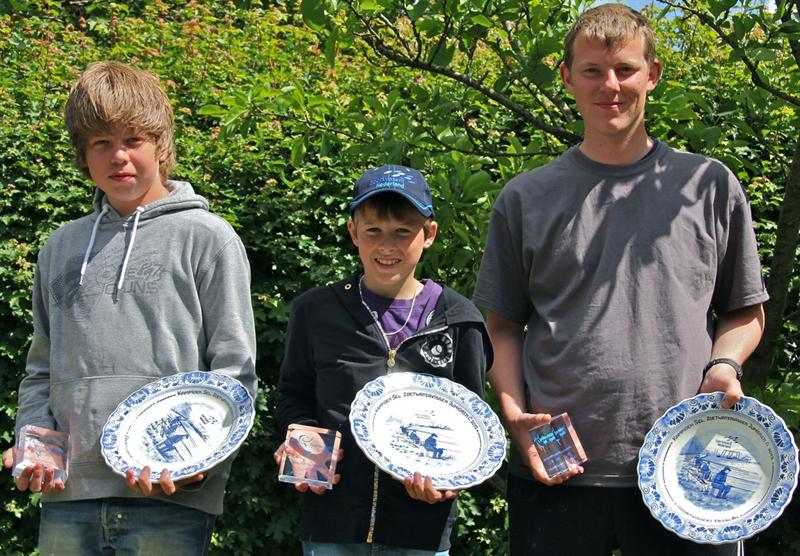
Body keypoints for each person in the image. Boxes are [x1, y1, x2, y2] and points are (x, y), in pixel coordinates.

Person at [472, 4, 767, 555]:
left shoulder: (708, 186)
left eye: (625, 69)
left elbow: (745, 311)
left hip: (688, 460)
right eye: (592, 71)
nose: (610, 85)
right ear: (567, 78)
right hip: (557, 465)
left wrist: (724, 365)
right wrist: (515, 418)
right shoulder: (526, 198)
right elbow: (502, 327)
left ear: (652, 75)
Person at [2, 61, 257, 555]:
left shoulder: (207, 238)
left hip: (169, 495)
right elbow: (40, 370)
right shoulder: (60, 247)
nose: (119, 156)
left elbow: (233, 372)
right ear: (83, 154)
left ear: (161, 145)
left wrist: (199, 463)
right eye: (101, 142)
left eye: (133, 139)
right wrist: (34, 444)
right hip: (70, 496)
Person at [275, 164, 493, 555]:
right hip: (333, 527)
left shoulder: (460, 321)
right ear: (353, 232)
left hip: (421, 533)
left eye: (403, 232)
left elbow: (470, 425)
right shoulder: (315, 311)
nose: (387, 245)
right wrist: (302, 440)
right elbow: (293, 396)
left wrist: (450, 481)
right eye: (373, 230)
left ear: (429, 234)